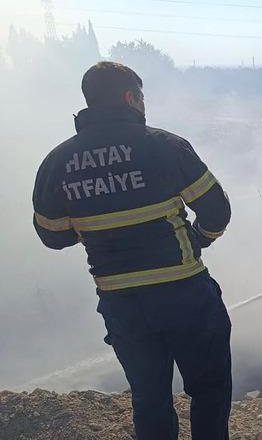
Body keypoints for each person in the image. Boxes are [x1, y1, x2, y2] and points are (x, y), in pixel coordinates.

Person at [32, 61, 233, 440]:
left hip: (123, 304)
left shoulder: (58, 162)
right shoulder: (164, 145)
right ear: (130, 97)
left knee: (150, 398)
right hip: (185, 294)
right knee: (209, 389)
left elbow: (52, 235)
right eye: (142, 97)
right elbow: (216, 211)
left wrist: (96, 225)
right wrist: (198, 238)